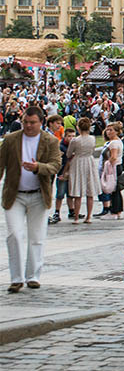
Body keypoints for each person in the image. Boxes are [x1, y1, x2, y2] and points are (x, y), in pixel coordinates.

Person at [2, 106, 62, 293]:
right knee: (14, 234)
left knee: (36, 237)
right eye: (25, 122)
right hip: (15, 195)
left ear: (41, 122)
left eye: (32, 123)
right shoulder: (11, 139)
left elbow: (55, 165)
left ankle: (33, 276)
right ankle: (16, 278)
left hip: (38, 194)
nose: (28, 126)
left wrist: (38, 167)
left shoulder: (50, 140)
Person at [66, 118, 99, 224]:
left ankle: (76, 217)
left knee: (78, 190)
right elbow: (93, 150)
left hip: (78, 161)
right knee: (90, 191)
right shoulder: (92, 138)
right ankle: (88, 216)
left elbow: (68, 153)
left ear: (78, 127)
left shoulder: (75, 140)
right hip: (89, 161)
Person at [49, 127, 76, 224]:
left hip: (72, 173)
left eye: (73, 136)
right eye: (69, 136)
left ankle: (71, 210)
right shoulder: (61, 147)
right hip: (62, 173)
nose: (71, 138)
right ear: (65, 136)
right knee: (60, 194)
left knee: (70, 194)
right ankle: (57, 212)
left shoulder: (74, 146)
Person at [98, 123, 124, 220]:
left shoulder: (113, 143)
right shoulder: (118, 141)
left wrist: (107, 164)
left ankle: (114, 211)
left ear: (117, 132)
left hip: (113, 167)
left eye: (111, 130)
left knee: (113, 189)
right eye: (107, 130)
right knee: (116, 189)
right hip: (118, 166)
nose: (108, 132)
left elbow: (113, 157)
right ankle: (118, 211)